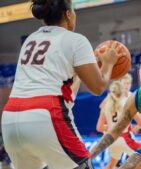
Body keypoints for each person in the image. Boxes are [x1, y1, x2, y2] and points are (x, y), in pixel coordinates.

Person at [1, 0, 122, 168]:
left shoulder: (30, 39)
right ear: (68, 14)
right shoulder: (76, 40)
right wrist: (108, 63)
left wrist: (89, 63)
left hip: (10, 119)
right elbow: (98, 87)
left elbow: (61, 77)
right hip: (45, 114)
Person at [96, 76, 141, 169]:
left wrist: (109, 127)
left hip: (112, 138)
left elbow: (100, 124)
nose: (126, 86)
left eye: (128, 83)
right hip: (123, 136)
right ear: (120, 85)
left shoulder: (131, 96)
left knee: (113, 162)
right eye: (124, 83)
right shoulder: (123, 101)